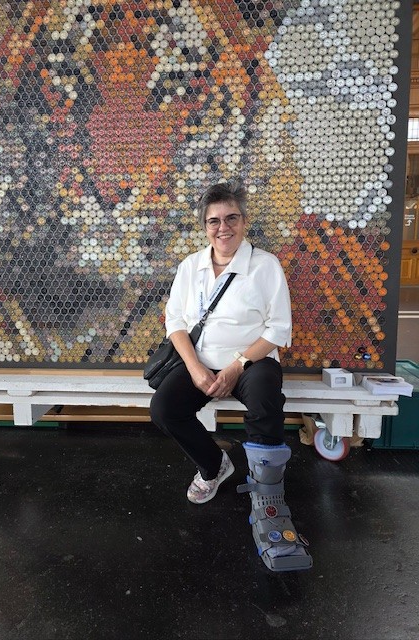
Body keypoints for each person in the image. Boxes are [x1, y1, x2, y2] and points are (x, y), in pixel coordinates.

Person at [150, 180, 312, 572]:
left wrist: (236, 365)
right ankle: (214, 466)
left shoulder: (265, 266)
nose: (223, 228)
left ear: (244, 221)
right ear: (205, 226)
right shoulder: (190, 267)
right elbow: (175, 323)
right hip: (201, 361)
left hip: (252, 362)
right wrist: (195, 368)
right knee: (164, 409)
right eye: (214, 221)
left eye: (231, 218)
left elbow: (278, 329)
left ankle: (267, 497)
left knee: (266, 402)